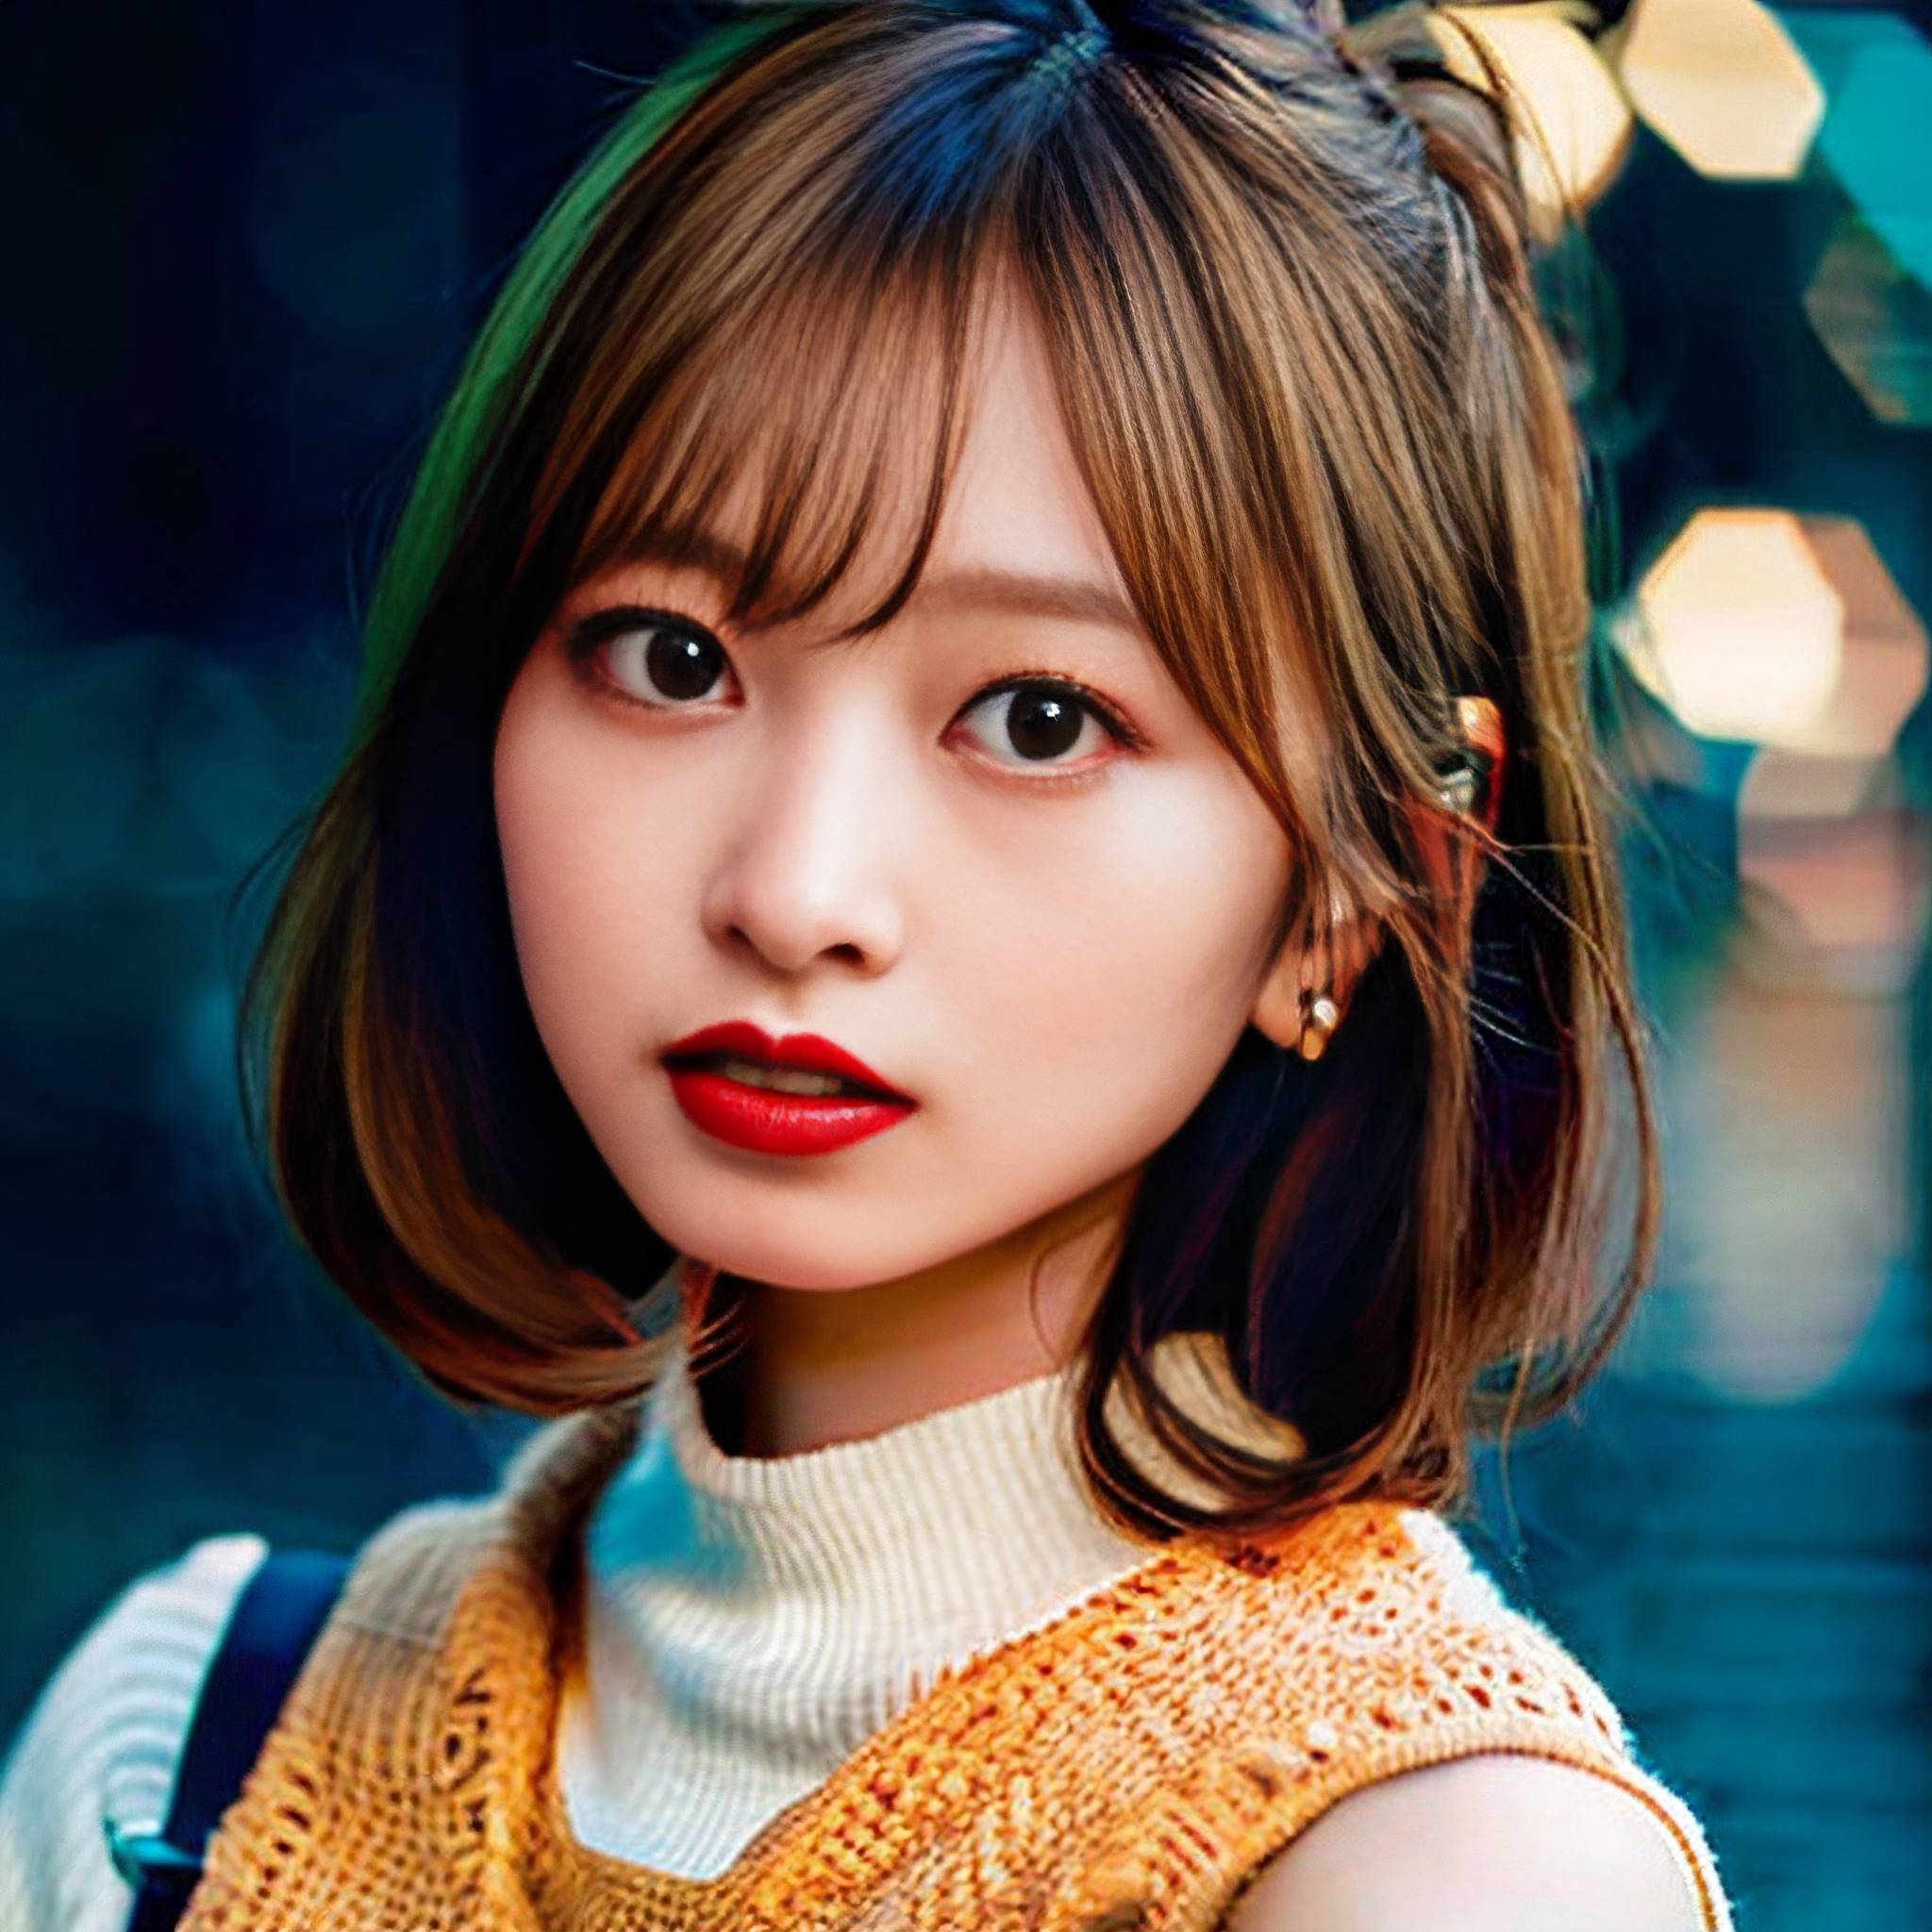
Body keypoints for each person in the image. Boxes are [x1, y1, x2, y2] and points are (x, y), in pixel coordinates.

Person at [0, 2, 1737, 1926]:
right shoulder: (191, 1750)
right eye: (669, 656)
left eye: (1038, 714)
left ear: (1362, 881)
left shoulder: (1431, 1869)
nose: (795, 888)